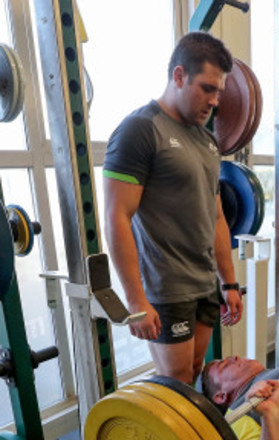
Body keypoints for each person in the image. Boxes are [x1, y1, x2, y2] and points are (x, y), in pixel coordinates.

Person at [103, 32, 244, 385]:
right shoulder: (140, 130)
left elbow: (215, 216)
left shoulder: (207, 141)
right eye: (207, 88)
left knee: (193, 373)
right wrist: (135, 299)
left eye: (218, 93)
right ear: (179, 76)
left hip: (203, 282)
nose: (214, 102)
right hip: (166, 286)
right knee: (175, 380)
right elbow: (116, 216)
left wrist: (229, 282)